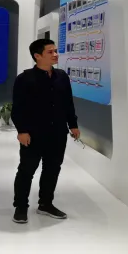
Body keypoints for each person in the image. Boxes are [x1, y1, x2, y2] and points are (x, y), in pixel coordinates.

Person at [11, 39, 80, 224]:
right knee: (26, 170)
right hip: (33, 134)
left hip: (57, 133)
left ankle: (46, 203)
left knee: (52, 169)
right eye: (50, 52)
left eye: (55, 51)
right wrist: (22, 131)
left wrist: (73, 124)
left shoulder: (62, 77)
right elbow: (18, 108)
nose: (55, 54)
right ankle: (21, 207)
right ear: (37, 56)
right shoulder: (24, 79)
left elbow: (68, 103)